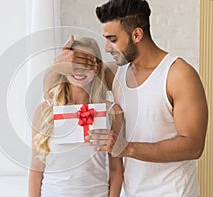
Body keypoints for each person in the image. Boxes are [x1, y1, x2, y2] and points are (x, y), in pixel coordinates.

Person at [48, 0, 209, 196]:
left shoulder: (178, 75)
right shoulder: (117, 74)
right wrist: (58, 65)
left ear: (137, 34)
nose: (107, 48)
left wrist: (128, 149)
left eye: (112, 39)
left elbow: (193, 146)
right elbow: (53, 95)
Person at [28, 37, 124, 197]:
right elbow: (36, 169)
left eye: (87, 64)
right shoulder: (45, 111)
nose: (80, 70)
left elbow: (116, 171)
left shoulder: (112, 113)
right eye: (74, 64)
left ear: (97, 67)